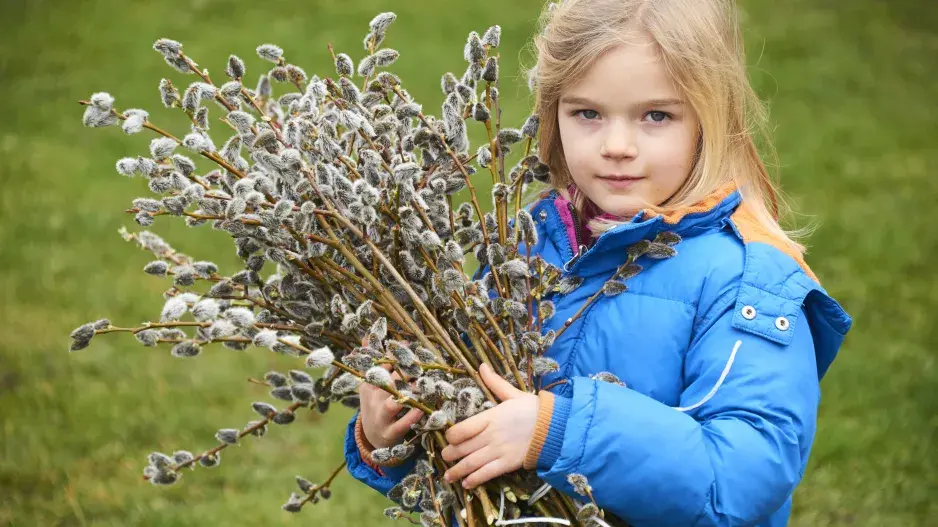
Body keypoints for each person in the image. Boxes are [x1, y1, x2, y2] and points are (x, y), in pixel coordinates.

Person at [345, 0, 853, 525]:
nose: (616, 146)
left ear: (710, 117)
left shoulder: (746, 279)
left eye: (656, 115)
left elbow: (740, 480)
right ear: (552, 113)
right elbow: (470, 439)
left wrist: (557, 432)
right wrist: (392, 435)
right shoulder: (526, 243)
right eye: (587, 113)